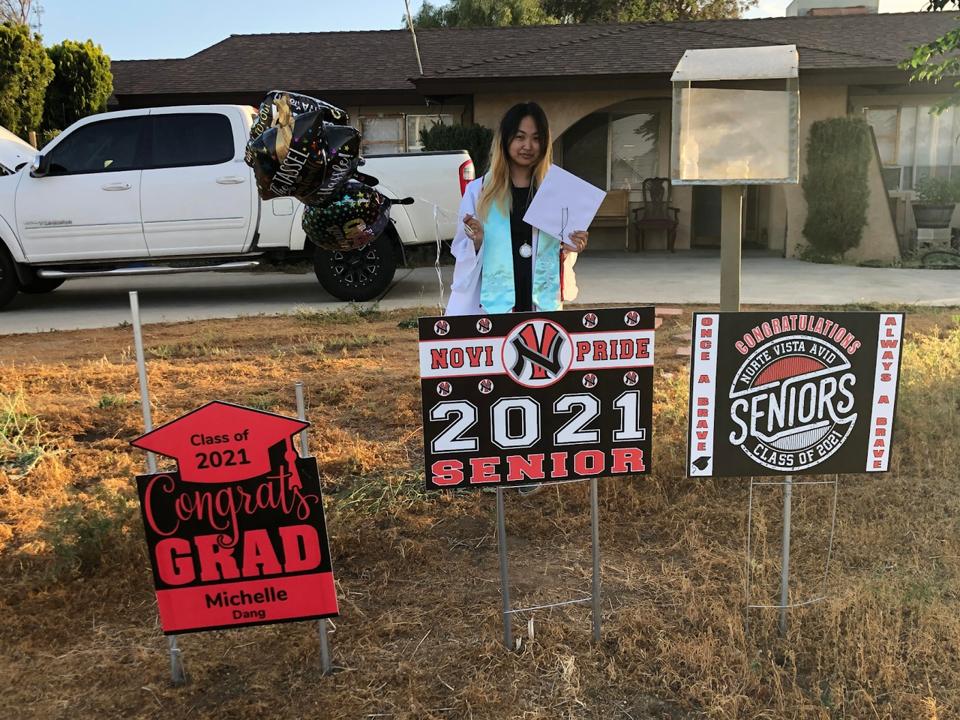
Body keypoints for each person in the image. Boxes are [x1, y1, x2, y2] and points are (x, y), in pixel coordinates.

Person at [446, 102, 588, 316]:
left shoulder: (555, 191)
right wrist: (476, 241)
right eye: (520, 137)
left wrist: (570, 246)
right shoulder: (480, 192)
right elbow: (461, 249)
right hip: (492, 304)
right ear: (505, 139)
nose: (528, 146)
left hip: (538, 298)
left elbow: (559, 253)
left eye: (536, 138)